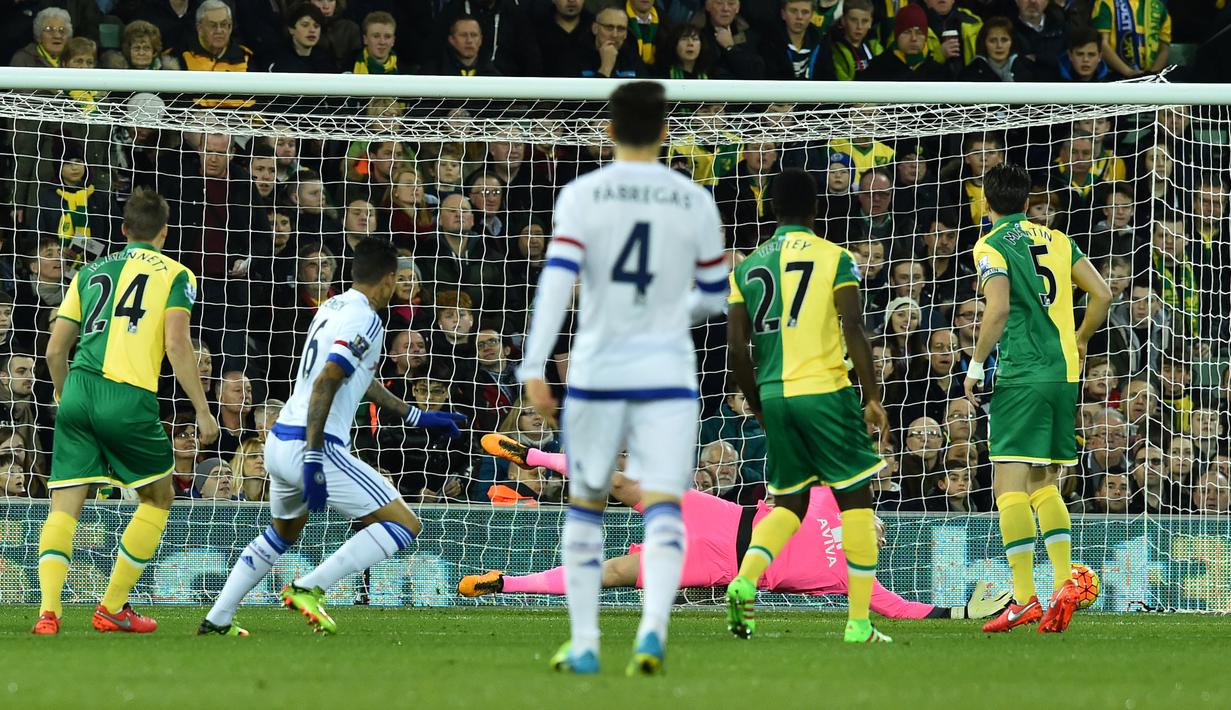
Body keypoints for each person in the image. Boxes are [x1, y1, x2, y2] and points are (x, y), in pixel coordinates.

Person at [518, 82, 727, 675]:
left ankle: (585, 642)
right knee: (663, 505)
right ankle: (652, 632)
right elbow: (714, 294)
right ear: (666, 132)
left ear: (608, 130)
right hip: (666, 370)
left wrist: (534, 366)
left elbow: (557, 282)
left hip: (598, 369)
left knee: (586, 506)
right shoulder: (693, 200)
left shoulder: (585, 194)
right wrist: (668, 313)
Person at [199, 240, 467, 637]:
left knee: (281, 533)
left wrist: (413, 414)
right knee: (405, 525)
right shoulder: (368, 320)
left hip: (278, 440)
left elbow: (354, 376)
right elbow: (327, 378)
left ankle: (217, 617)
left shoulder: (332, 306)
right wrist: (312, 456)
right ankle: (311, 586)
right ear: (390, 279)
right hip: (315, 444)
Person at [464, 432, 1011, 621]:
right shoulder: (826, 500)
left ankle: (503, 583)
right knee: (627, 484)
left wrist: (959, 610)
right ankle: (534, 456)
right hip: (721, 516)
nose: (878, 530)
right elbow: (810, 470)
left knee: (612, 572)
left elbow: (902, 608)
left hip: (717, 564)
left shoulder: (853, 577)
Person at [31, 188, 221, 635]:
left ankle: (48, 613)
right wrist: (203, 410)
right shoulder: (178, 274)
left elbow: (55, 349)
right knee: (159, 497)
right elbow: (176, 344)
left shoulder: (89, 270)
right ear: (165, 232)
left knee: (64, 505)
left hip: (77, 389)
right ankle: (112, 607)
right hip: (127, 397)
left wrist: (65, 398)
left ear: (122, 229)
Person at [725, 168, 891, 644]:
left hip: (775, 394)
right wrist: (872, 395)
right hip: (825, 392)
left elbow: (738, 351)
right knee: (856, 501)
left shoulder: (746, 268)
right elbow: (854, 327)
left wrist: (758, 403)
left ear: (770, 208)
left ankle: (745, 578)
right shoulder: (834, 257)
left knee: (790, 504)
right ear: (816, 208)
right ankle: (858, 623)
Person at [964, 164, 1112, 634]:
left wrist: (975, 363)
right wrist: (1083, 337)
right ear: (1028, 202)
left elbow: (1000, 307)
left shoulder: (989, 245)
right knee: (1043, 482)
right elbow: (1104, 294)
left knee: (1007, 485)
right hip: (1064, 372)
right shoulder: (1058, 238)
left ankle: (1025, 598)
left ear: (986, 203)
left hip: (1023, 371)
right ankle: (1064, 584)